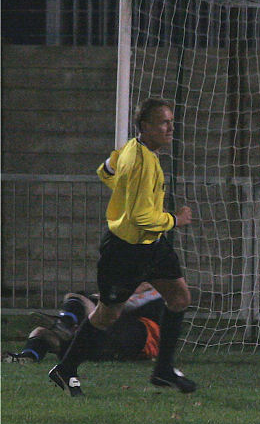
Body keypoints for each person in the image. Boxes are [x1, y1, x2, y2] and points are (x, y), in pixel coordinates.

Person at [49, 97, 196, 397]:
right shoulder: (141, 162)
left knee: (179, 297)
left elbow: (105, 171)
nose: (171, 128)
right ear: (145, 126)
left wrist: (125, 192)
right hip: (125, 251)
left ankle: (163, 370)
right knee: (107, 315)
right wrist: (175, 220)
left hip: (152, 246)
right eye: (164, 123)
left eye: (171, 122)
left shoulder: (133, 148)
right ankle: (65, 369)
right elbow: (141, 217)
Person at [3, 283, 163, 364]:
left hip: (138, 338)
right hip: (108, 345)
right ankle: (27, 357)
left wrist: (93, 300)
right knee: (41, 332)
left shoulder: (156, 292)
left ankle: (65, 324)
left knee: (78, 298)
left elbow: (119, 305)